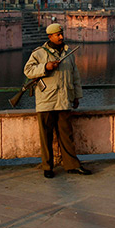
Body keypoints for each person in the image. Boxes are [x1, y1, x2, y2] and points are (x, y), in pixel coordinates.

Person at [23, 23, 91, 178]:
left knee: (66, 135)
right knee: (46, 135)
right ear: (50, 37)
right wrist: (45, 67)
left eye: (61, 34)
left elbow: (75, 77)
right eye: (57, 35)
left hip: (64, 99)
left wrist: (76, 96)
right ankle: (48, 167)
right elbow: (28, 71)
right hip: (46, 101)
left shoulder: (69, 54)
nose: (61, 37)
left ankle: (72, 165)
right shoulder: (39, 53)